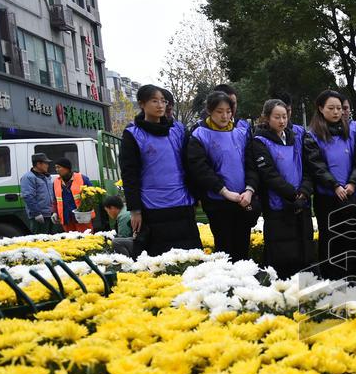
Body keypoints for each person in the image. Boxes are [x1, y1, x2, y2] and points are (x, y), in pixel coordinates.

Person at [120, 85, 201, 257]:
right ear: (142, 104)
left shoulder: (177, 131)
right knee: (159, 261)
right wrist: (135, 210)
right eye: (154, 101)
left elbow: (190, 165)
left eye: (163, 101)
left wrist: (195, 197)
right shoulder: (133, 134)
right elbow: (129, 174)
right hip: (152, 207)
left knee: (190, 258)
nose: (160, 105)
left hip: (182, 204)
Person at [185, 90, 259, 262]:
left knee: (242, 248)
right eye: (219, 111)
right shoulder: (199, 135)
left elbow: (251, 163)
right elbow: (200, 169)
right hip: (218, 202)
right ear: (209, 111)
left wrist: (249, 190)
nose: (225, 116)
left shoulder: (241, 133)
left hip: (243, 200)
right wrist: (223, 191)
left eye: (228, 111)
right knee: (224, 249)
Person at [247, 99, 314, 279]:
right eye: (277, 117)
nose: (282, 121)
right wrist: (293, 194)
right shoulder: (259, 141)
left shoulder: (296, 138)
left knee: (303, 252)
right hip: (278, 206)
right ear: (267, 118)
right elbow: (269, 174)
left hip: (301, 204)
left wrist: (304, 192)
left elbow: (307, 169)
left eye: (284, 116)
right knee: (282, 255)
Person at [305, 90, 356, 280]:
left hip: (351, 193)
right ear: (321, 109)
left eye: (339, 108)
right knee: (331, 237)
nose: (336, 112)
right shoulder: (312, 135)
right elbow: (316, 166)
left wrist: (352, 183)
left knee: (354, 236)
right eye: (331, 108)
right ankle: (332, 277)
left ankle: (355, 275)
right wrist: (335, 186)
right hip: (328, 196)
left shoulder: (351, 132)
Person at [20, 153, 56, 235]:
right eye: (45, 163)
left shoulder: (46, 176)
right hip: (39, 216)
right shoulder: (28, 177)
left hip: (49, 215)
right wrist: (37, 214)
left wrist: (54, 211)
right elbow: (28, 196)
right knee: (40, 240)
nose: (47, 165)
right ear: (38, 164)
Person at [53, 158, 92, 233]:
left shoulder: (82, 179)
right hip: (66, 218)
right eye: (56, 168)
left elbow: (92, 194)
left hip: (82, 217)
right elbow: (55, 200)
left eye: (59, 167)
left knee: (86, 240)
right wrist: (54, 212)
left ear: (67, 168)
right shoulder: (56, 182)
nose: (57, 170)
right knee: (71, 242)